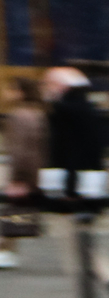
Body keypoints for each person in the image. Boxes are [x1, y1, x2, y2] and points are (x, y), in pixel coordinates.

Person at [44, 65, 109, 298]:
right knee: (83, 245)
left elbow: (66, 153)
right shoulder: (89, 109)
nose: (46, 90)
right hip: (90, 188)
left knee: (74, 249)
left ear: (61, 87)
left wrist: (63, 190)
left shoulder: (64, 111)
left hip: (73, 191)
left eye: (49, 84)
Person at [1, 75, 44, 270]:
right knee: (15, 213)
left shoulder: (18, 116)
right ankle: (7, 252)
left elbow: (21, 150)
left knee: (12, 213)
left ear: (20, 93)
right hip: (34, 171)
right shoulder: (37, 113)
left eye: (10, 89)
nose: (5, 93)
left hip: (22, 173)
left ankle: (6, 253)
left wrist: (18, 177)